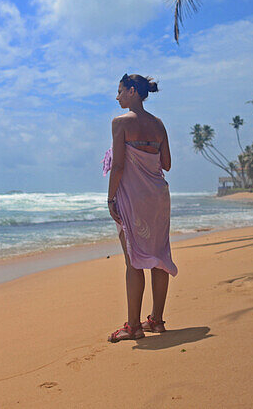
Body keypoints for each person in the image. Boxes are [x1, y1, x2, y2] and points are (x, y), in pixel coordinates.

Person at [105, 73, 177, 342]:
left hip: (133, 198)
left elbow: (119, 165)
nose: (118, 96)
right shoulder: (158, 125)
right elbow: (167, 163)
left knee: (133, 261)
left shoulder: (120, 123)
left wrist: (111, 198)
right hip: (158, 197)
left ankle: (133, 326)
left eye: (121, 91)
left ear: (133, 91)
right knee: (159, 257)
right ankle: (157, 321)